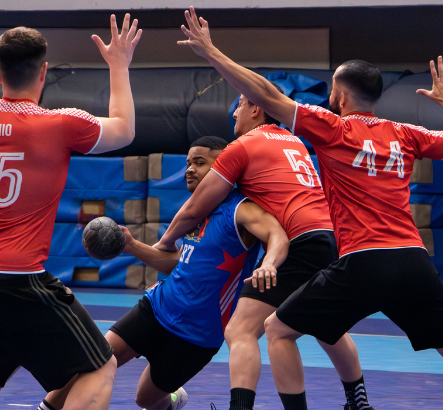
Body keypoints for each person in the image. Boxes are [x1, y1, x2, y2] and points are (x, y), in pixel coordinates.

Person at [177, 6, 443, 410]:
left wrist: (213, 53)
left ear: (338, 96)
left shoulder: (332, 128)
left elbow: (267, 96)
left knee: (277, 331)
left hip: (363, 261)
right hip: (412, 261)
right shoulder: (405, 133)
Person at [0, 11, 142, 410]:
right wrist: (119, 65)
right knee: (101, 366)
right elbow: (125, 129)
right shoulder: (60, 124)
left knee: (3, 356)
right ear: (44, 72)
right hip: (16, 279)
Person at [156, 88, 372, 410]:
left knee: (243, 330)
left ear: (256, 108)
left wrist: (165, 243)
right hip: (331, 237)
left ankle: (241, 407)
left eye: (240, 105)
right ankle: (359, 402)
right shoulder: (295, 141)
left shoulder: (243, 145)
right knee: (325, 325)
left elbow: (194, 208)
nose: (234, 114)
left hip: (298, 240)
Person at [42, 136, 290, 410]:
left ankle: (173, 399)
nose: (190, 169)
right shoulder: (196, 212)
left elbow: (277, 234)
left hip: (196, 337)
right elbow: (180, 263)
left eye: (200, 162)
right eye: (187, 163)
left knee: (145, 400)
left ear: (224, 168)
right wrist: (133, 246)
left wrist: (269, 263)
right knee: (92, 362)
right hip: (156, 308)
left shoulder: (240, 209)